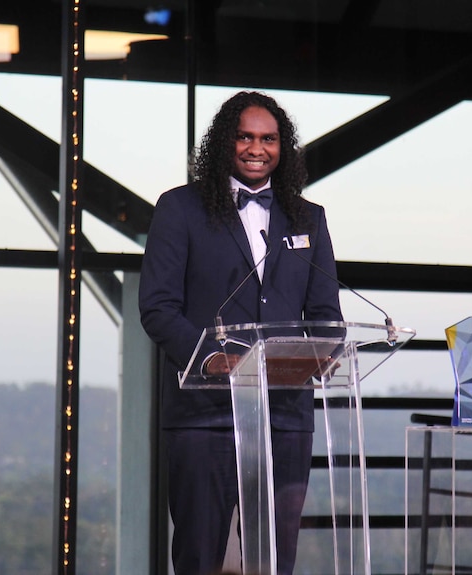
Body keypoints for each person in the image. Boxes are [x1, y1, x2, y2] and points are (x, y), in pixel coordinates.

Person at [138, 90, 343, 575]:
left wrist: (327, 350)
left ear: (282, 146)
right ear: (224, 143)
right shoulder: (180, 208)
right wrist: (211, 359)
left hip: (285, 418)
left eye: (269, 139)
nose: (257, 148)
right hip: (204, 416)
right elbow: (158, 309)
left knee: (274, 561)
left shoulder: (308, 218)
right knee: (199, 557)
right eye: (245, 137)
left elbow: (325, 312)